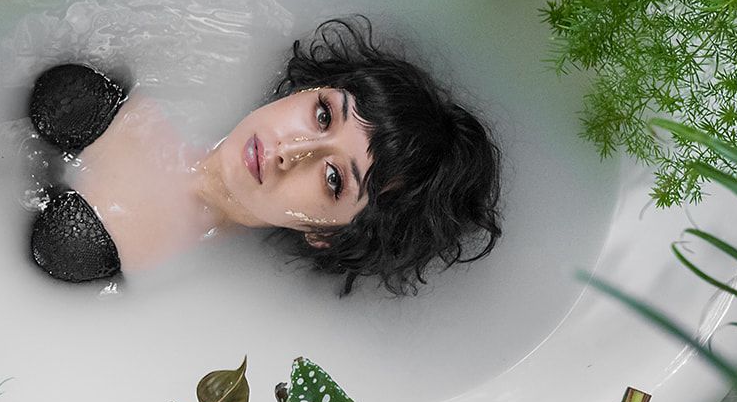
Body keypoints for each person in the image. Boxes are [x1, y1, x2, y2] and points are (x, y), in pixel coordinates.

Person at [27, 16, 503, 295]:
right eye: (322, 115)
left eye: (334, 178)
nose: (290, 151)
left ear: (325, 236)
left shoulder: (161, 273)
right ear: (310, 88)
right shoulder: (143, 76)